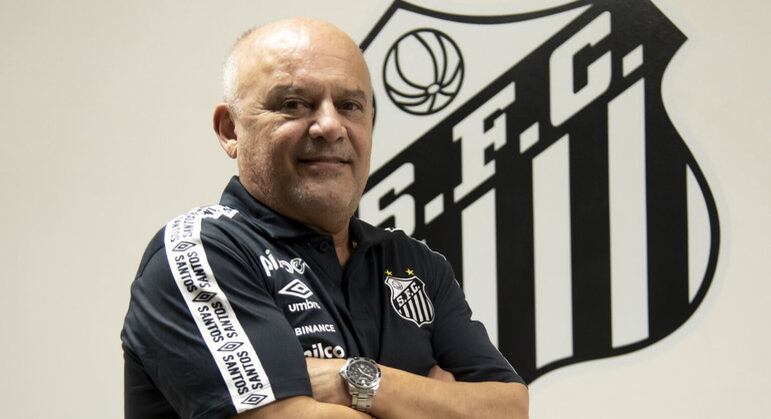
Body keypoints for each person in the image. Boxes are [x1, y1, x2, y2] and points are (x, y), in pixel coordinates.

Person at [121, 17, 528, 419]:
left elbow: (510, 409)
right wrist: (434, 400)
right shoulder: (202, 253)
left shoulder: (414, 263)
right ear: (230, 130)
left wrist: (350, 379)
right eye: (293, 104)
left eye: (350, 106)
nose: (331, 126)